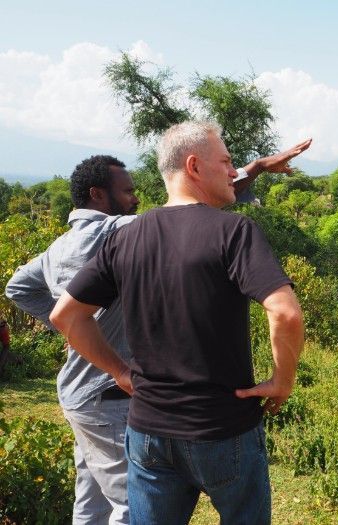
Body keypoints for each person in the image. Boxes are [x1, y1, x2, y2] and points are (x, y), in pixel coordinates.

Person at [6, 137, 310, 525]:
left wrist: (116, 367)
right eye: (226, 162)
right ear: (194, 166)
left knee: (90, 494)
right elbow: (286, 314)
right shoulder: (227, 231)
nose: (232, 172)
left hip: (138, 422)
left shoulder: (102, 240)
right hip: (215, 424)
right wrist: (282, 382)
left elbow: (62, 315)